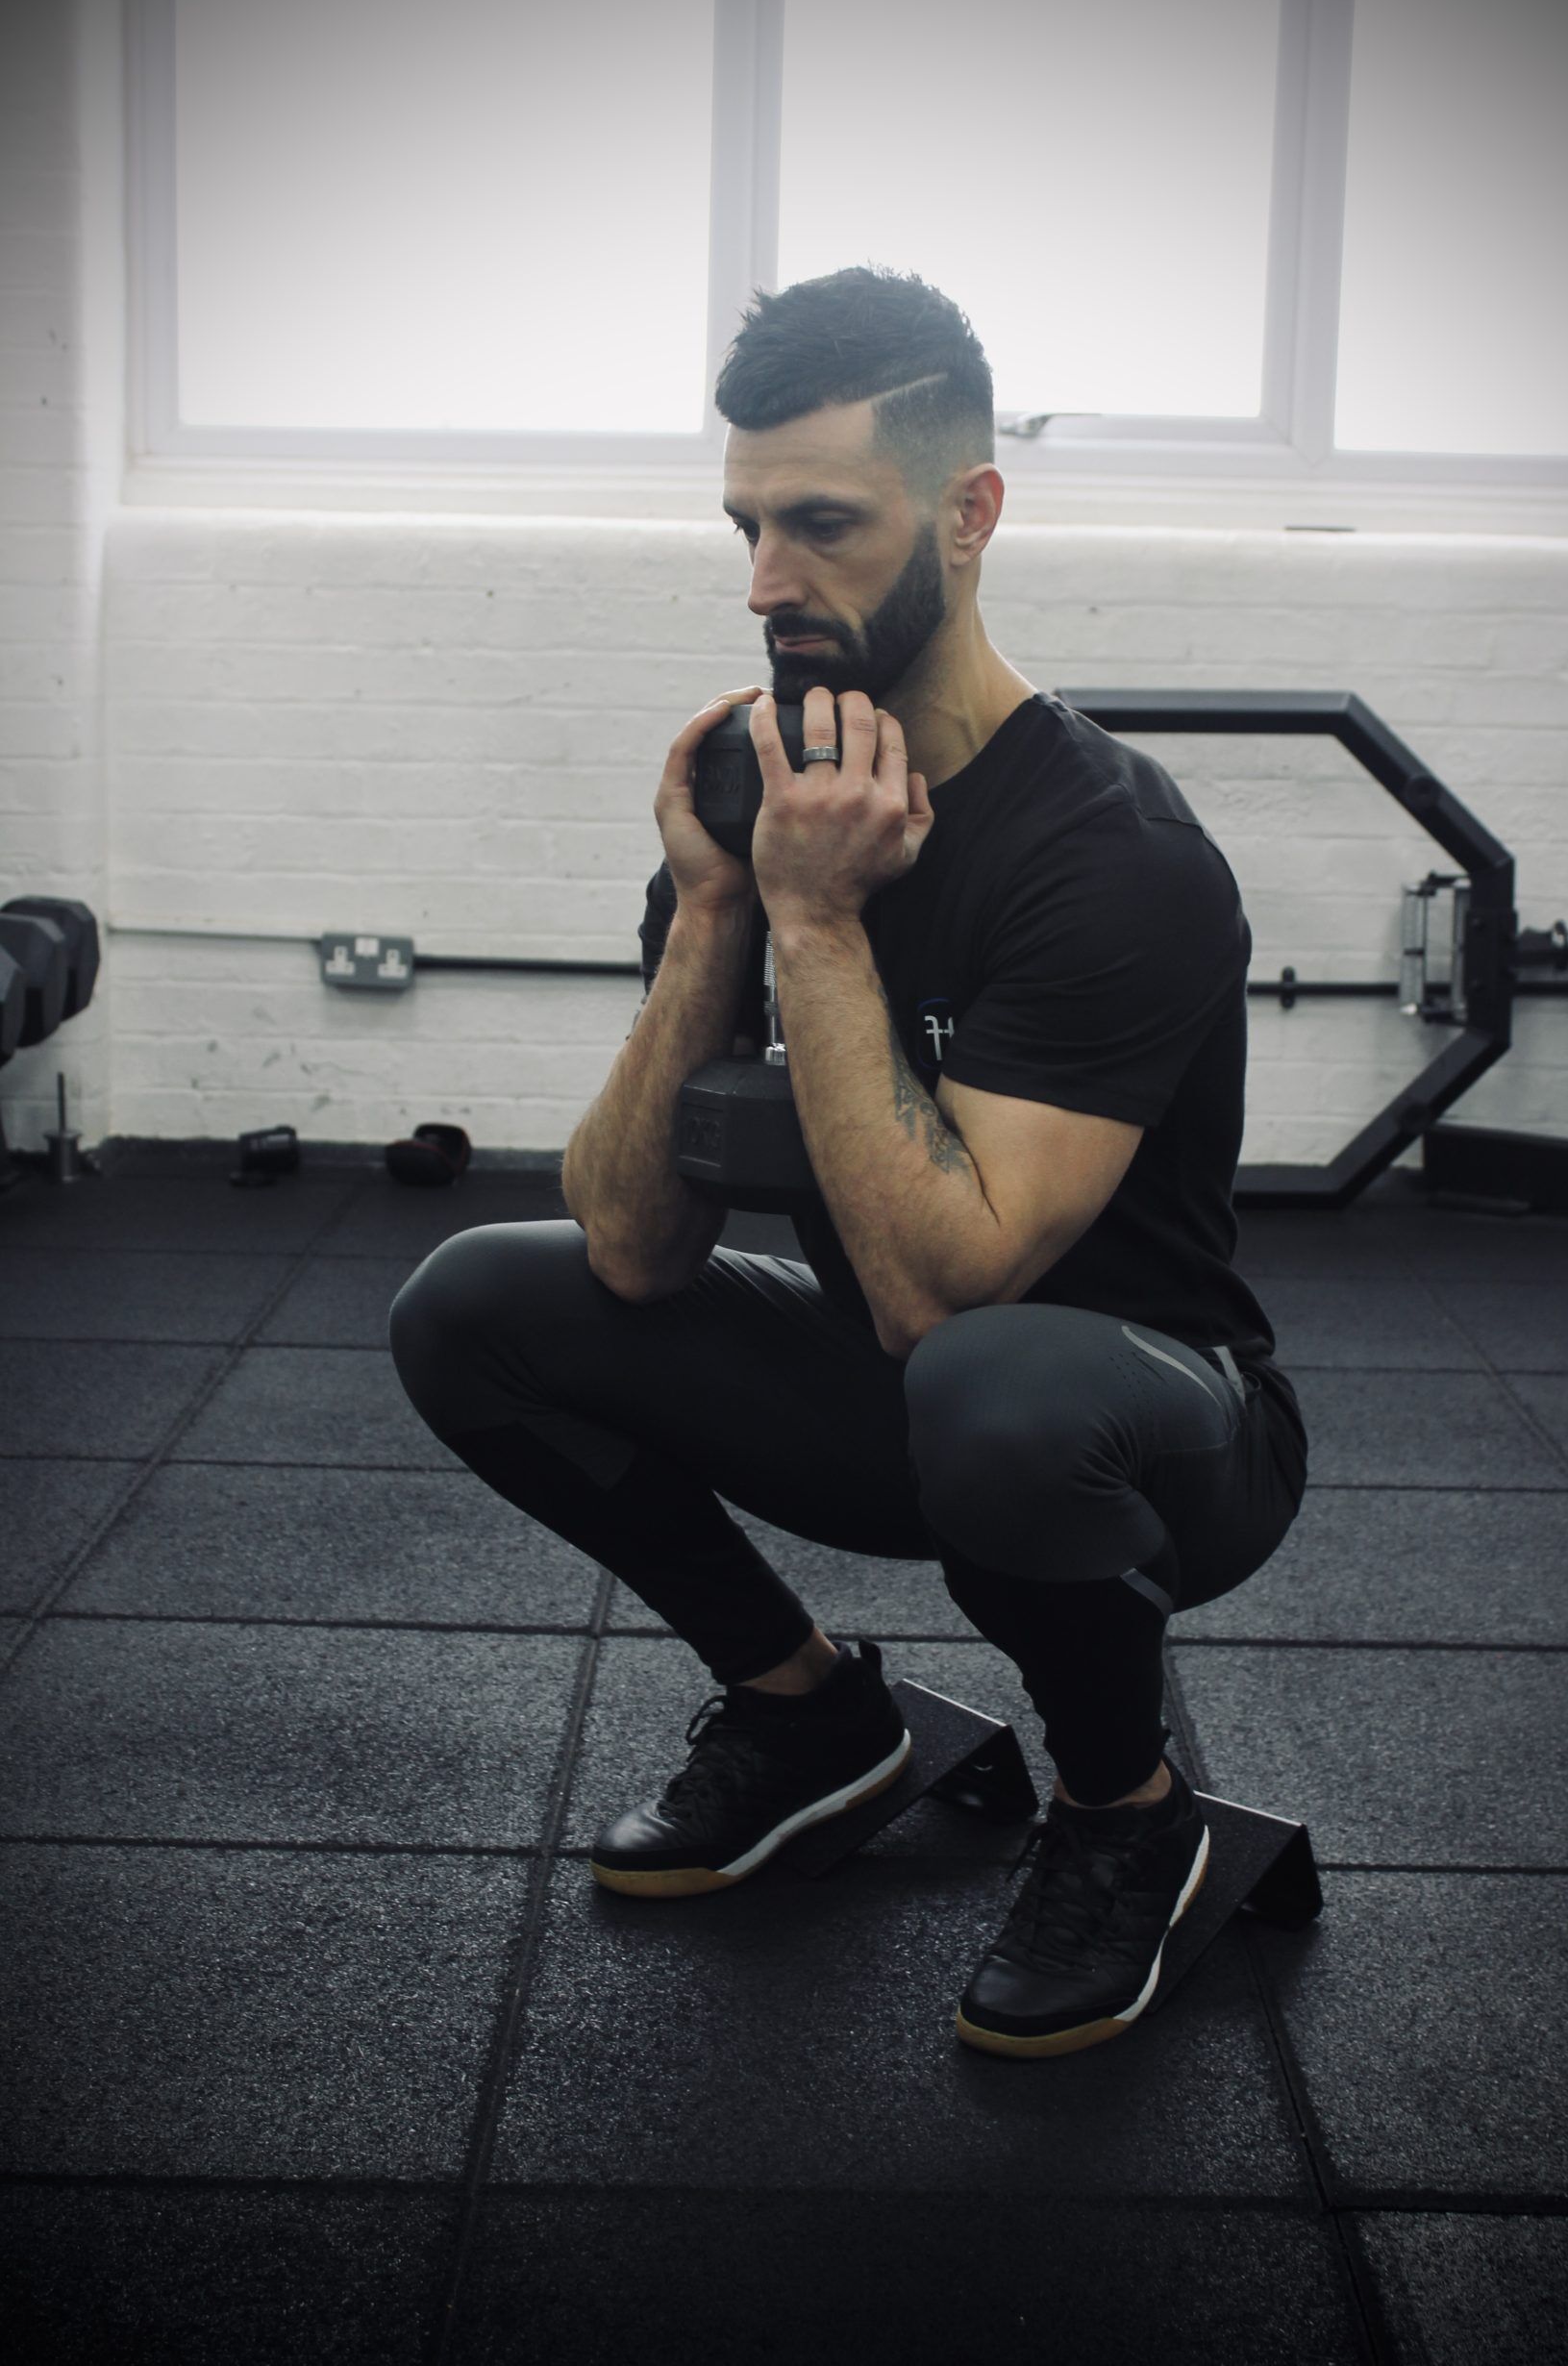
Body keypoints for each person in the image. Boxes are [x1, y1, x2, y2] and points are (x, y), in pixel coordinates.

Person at [388, 264, 1308, 2060]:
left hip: (1154, 1434)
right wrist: (719, 904)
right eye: (745, 525)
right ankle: (809, 1711)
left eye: (821, 525)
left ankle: (1131, 1819)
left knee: (987, 1379)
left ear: (969, 516)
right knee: (476, 1303)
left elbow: (940, 1283)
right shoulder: (760, 802)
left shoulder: (1113, 853)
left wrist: (814, 922)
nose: (765, 585)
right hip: (906, 1395)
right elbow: (637, 1250)